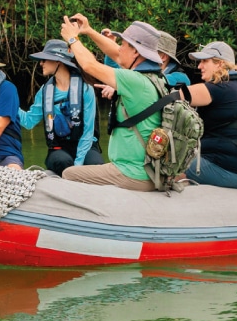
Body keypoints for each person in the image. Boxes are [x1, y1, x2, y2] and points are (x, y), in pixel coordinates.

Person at [59, 15, 164, 191]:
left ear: (136, 52)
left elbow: (89, 66)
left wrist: (72, 39)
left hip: (132, 173)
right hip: (147, 170)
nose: (119, 48)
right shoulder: (154, 77)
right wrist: (89, 31)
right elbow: (116, 54)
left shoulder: (134, 80)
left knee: (69, 174)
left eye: (123, 44)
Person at [178, 41, 237, 189]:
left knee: (170, 164)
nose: (199, 66)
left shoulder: (219, 88)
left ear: (219, 64)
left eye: (204, 61)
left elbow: (172, 97)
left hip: (236, 174)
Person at [18, 39, 104, 176]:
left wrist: (78, 164)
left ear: (58, 61)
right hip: (58, 147)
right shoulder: (44, 92)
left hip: (86, 145)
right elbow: (28, 122)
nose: (41, 63)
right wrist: (9, 102)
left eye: (45, 59)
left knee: (96, 165)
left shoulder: (86, 89)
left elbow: (88, 131)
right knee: (62, 161)